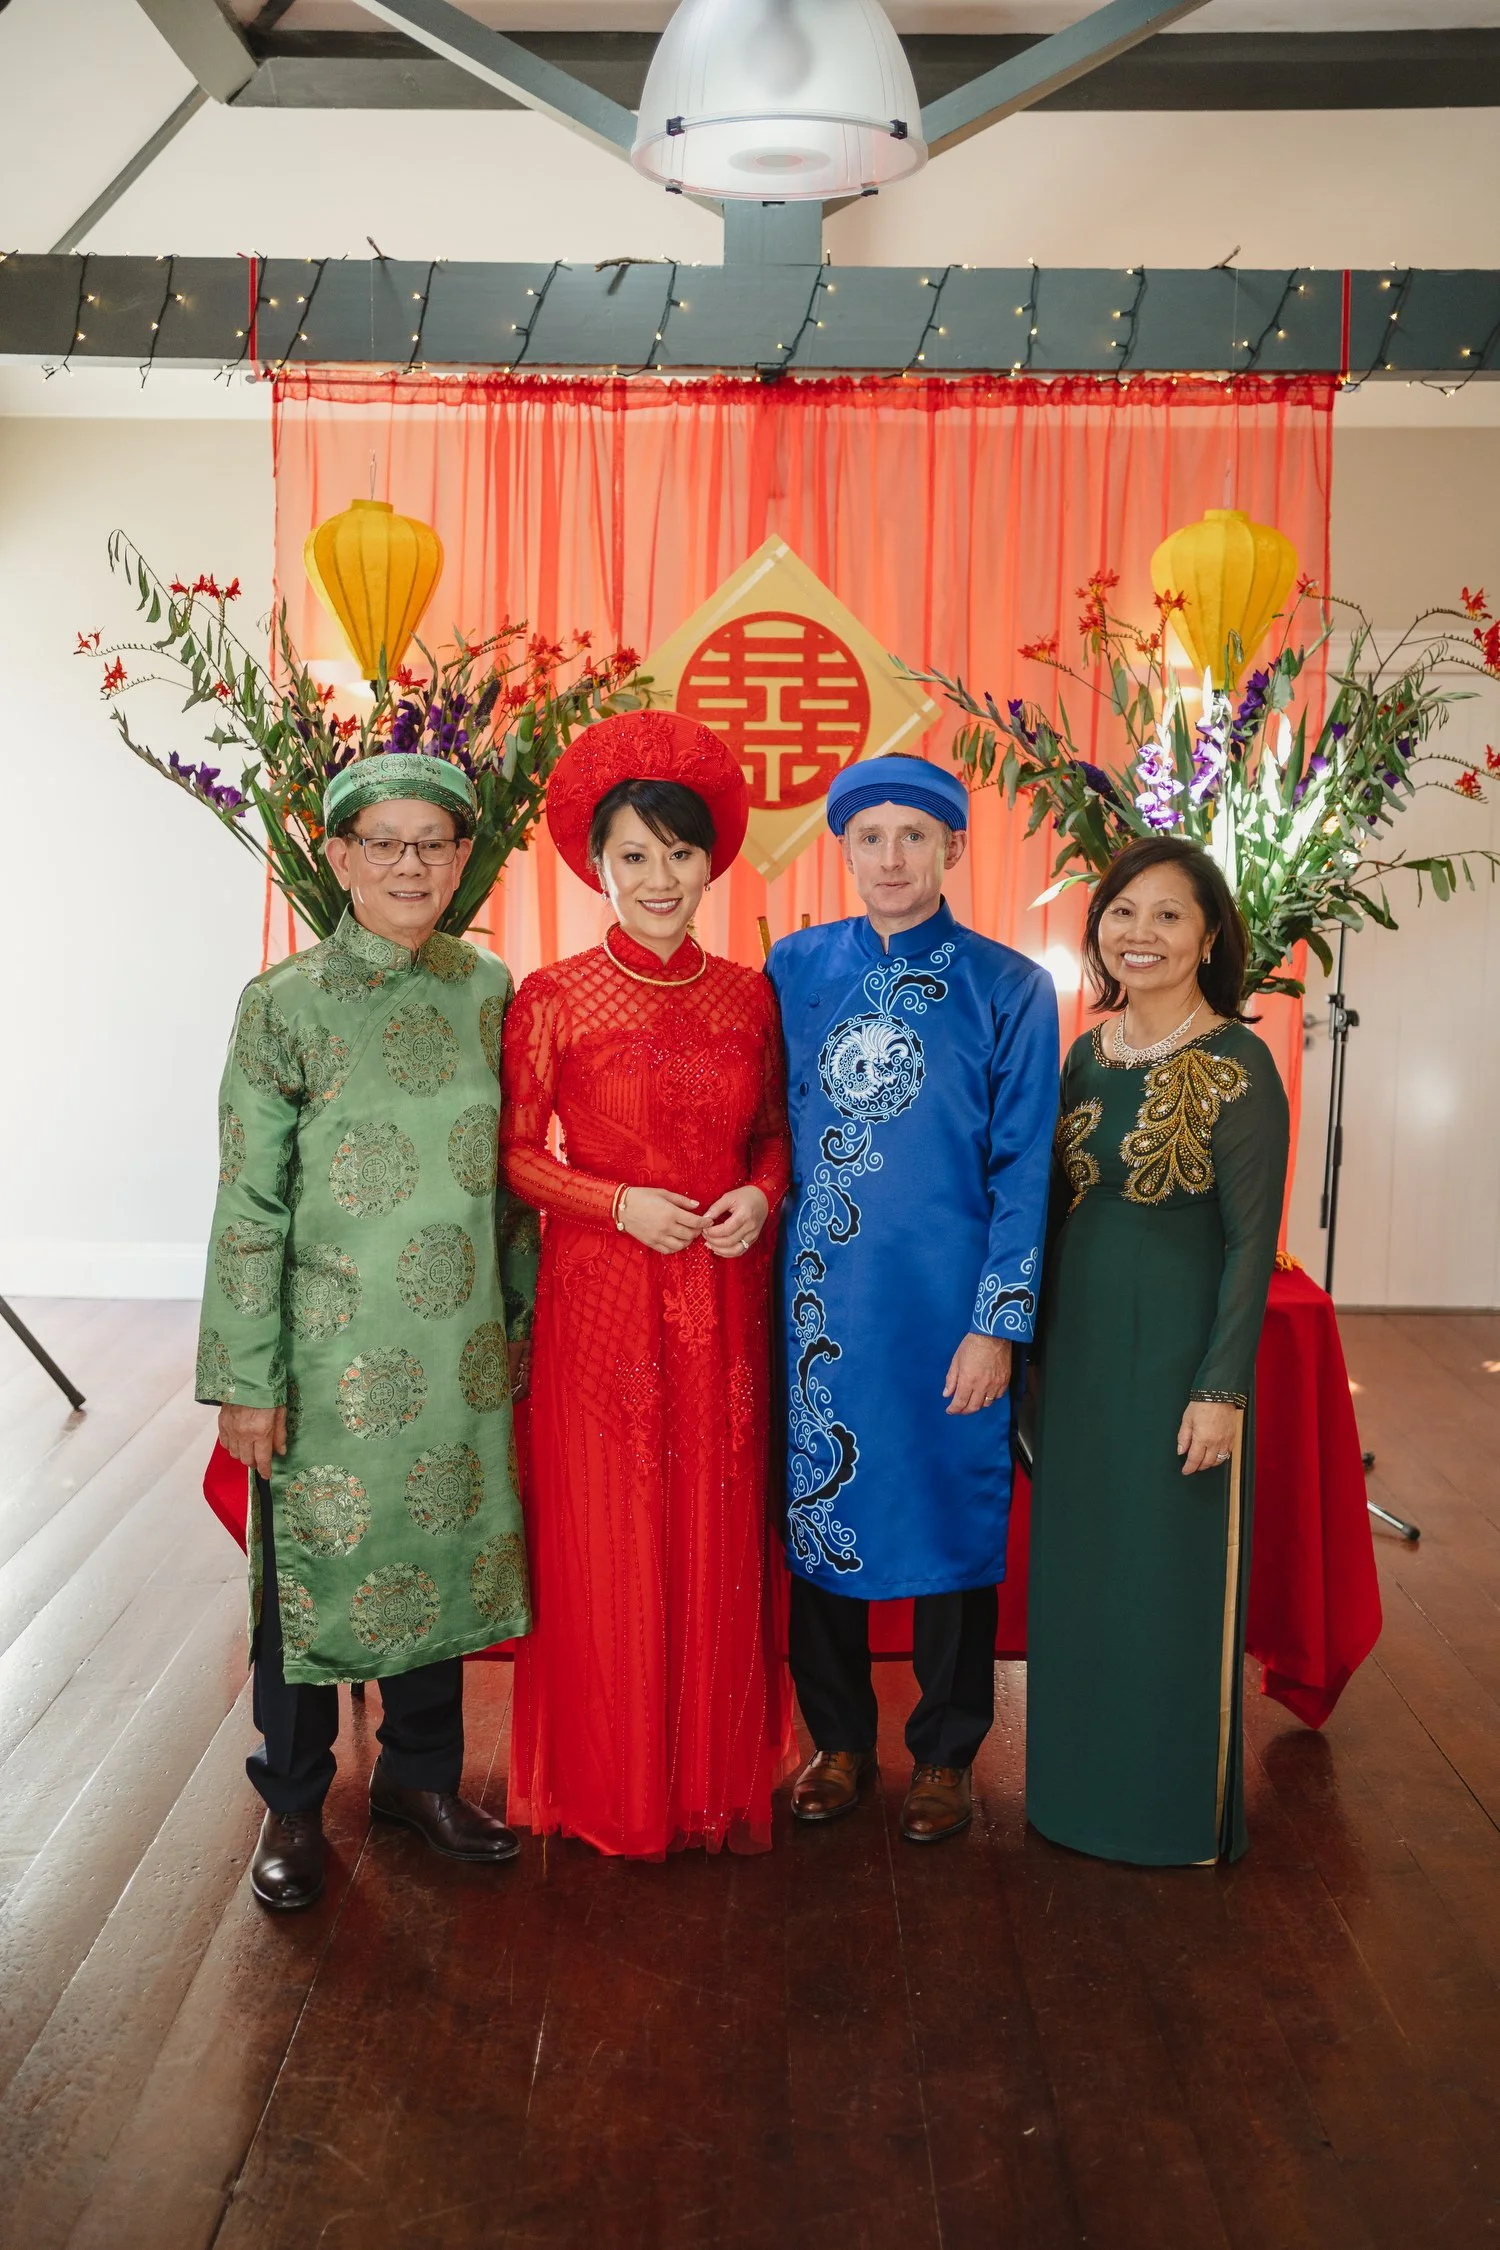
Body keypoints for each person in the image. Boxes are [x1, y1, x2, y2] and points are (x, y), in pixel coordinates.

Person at [197, 749, 537, 1912]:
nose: (407, 863)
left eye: (430, 845)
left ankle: (420, 1780)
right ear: (338, 859)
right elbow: (248, 1201)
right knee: (308, 1584)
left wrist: (522, 1323)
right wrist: (247, 1377)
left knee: (439, 1549)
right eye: (381, 843)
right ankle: (292, 1803)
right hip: (321, 1357)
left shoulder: (488, 990)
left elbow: (512, 1175)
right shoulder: (280, 1006)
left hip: (456, 1347)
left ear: (460, 862)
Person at [499, 710, 796, 1858]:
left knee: (714, 1527)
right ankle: (614, 1785)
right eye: (634, 855)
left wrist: (760, 1197)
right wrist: (615, 1203)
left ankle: (706, 1781)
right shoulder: (553, 996)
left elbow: (773, 1139)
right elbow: (517, 1155)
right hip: (604, 1295)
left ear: (711, 857)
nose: (659, 877)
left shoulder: (747, 997)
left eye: (679, 852)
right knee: (610, 1525)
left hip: (720, 1296)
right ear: (596, 865)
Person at [766, 754, 1058, 1843]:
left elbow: (1024, 1168)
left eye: (914, 837)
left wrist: (998, 1324)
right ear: (843, 851)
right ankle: (838, 1743)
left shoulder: (1010, 987)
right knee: (821, 1519)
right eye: (869, 838)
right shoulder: (793, 969)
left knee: (950, 1521)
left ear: (954, 850)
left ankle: (944, 1753)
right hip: (817, 1311)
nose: (891, 858)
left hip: (948, 1314)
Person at [1025, 835, 1289, 1866]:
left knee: (1169, 1576)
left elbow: (1250, 1242)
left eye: (1168, 915)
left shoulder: (1241, 1065)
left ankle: (1166, 1813)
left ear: (1210, 934)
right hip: (1083, 1354)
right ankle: (1075, 1795)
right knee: (1087, 1576)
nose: (1140, 934)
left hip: (1180, 1359)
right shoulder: (1087, 1056)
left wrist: (1221, 1387)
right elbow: (1051, 1213)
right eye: (1122, 912)